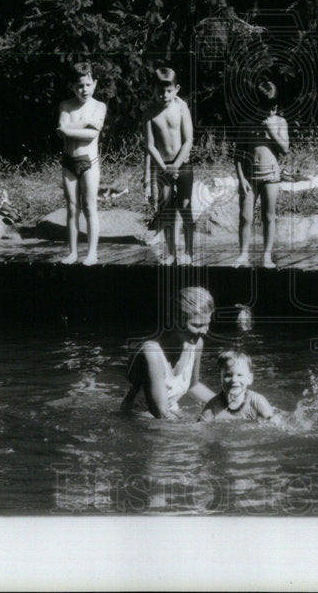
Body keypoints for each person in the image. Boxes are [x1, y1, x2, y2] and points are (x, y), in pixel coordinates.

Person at [121, 286, 217, 419]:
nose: (205, 331)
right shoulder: (151, 352)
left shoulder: (196, 343)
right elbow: (161, 413)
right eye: (196, 325)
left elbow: (193, 386)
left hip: (171, 413)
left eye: (207, 324)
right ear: (173, 320)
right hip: (138, 422)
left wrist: (232, 405)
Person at [233, 81, 290, 269]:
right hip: (249, 178)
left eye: (273, 109)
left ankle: (267, 255)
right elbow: (238, 156)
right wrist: (241, 179)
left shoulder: (280, 122)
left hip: (271, 177)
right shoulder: (246, 125)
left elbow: (285, 149)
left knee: (269, 216)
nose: (270, 114)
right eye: (266, 110)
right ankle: (243, 254)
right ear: (256, 105)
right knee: (245, 217)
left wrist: (272, 132)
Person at [143, 68, 195, 265]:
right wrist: (165, 168)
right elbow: (149, 145)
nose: (163, 95)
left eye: (168, 91)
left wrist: (176, 166)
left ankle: (188, 251)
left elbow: (188, 140)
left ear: (176, 89)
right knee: (166, 210)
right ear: (153, 89)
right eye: (159, 91)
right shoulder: (149, 113)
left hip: (183, 165)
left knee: (185, 207)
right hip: (163, 167)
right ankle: (171, 252)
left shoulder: (181, 109)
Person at [57, 62, 107, 266]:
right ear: (72, 86)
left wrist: (69, 129)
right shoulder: (66, 105)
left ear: (94, 84)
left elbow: (91, 135)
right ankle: (73, 252)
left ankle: (92, 252)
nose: (84, 90)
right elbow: (62, 130)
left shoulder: (99, 106)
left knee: (89, 206)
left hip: (90, 162)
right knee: (71, 207)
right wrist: (85, 122)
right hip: (69, 162)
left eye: (87, 85)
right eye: (79, 86)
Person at [199, 350, 276, 422]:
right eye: (228, 375)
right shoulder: (214, 406)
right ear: (221, 378)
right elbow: (198, 427)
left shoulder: (257, 401)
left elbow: (275, 425)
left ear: (249, 379)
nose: (234, 380)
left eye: (239, 375)